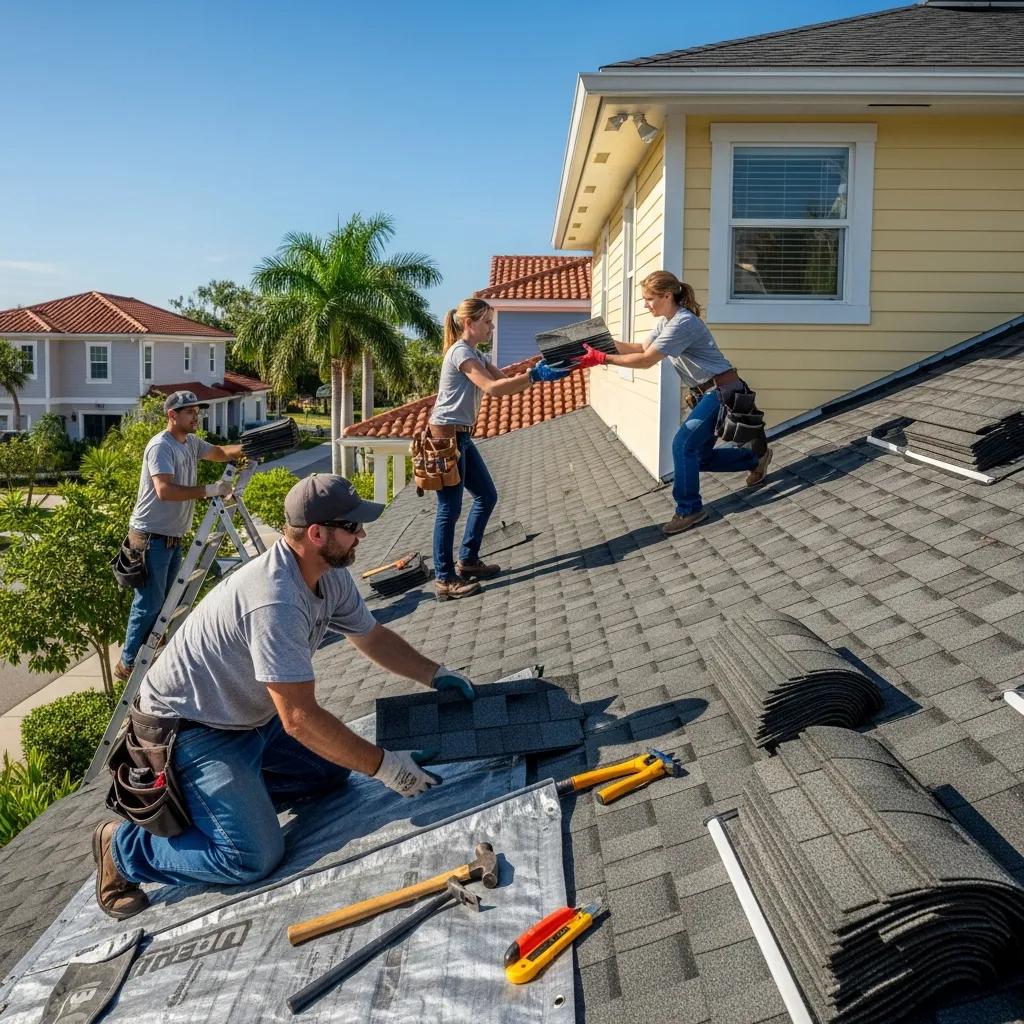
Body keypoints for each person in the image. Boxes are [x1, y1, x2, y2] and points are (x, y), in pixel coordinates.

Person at [93, 474, 479, 920]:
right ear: (317, 534)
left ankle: (232, 799)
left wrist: (436, 674)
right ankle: (122, 850)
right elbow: (297, 718)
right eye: (352, 527)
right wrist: (390, 769)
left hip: (249, 716)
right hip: (190, 730)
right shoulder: (275, 599)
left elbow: (371, 637)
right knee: (251, 856)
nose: (362, 534)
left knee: (331, 776)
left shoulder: (327, 576)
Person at [575, 271, 772, 535]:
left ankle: (689, 509)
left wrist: (602, 359)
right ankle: (755, 458)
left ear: (667, 296)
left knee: (682, 444)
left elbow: (645, 361)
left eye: (649, 299)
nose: (646, 305)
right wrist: (597, 343)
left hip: (721, 390)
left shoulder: (682, 323)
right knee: (698, 456)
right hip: (709, 392)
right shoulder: (667, 322)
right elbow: (639, 349)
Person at [428, 297, 569, 601]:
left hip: (461, 437)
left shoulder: (476, 353)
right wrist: (534, 376)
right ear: (469, 323)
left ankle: (467, 561)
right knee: (449, 509)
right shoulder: (461, 353)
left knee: (486, 495)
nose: (492, 327)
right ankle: (444, 579)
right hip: (445, 437)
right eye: (487, 322)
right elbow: (491, 389)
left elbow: (504, 381)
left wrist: (539, 371)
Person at [115, 391, 244, 682]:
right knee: (149, 602)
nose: (196, 416)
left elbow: (220, 452)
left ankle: (151, 648)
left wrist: (248, 449)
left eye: (197, 411)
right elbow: (164, 491)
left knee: (167, 603)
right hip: (150, 538)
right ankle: (128, 662)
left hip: (170, 538)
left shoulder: (191, 443)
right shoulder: (161, 446)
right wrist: (210, 490)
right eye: (189, 412)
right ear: (172, 415)